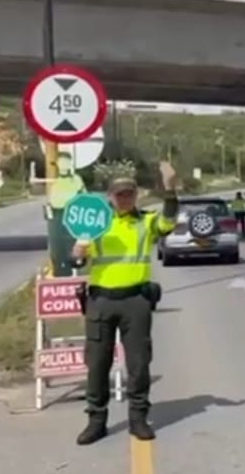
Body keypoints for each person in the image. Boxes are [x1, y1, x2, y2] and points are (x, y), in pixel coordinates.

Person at [71, 163, 179, 445]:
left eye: (129, 194)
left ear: (137, 195)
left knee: (139, 363)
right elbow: (78, 259)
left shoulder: (146, 221)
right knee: (97, 364)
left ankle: (138, 418)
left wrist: (170, 189)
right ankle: (96, 420)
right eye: (120, 195)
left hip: (136, 301)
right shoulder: (97, 224)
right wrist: (78, 253)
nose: (125, 199)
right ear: (110, 197)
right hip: (101, 300)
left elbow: (168, 222)